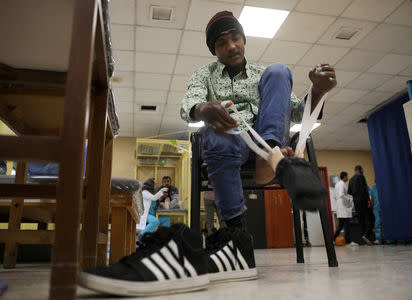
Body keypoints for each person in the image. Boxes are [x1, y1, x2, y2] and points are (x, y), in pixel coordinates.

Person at [78, 11, 337, 296]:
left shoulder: (264, 75)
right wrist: (202, 109)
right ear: (215, 49)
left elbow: (298, 111)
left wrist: (318, 90)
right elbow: (188, 102)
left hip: (267, 137)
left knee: (280, 69)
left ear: (244, 39)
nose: (231, 46)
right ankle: (237, 236)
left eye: (235, 38)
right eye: (222, 43)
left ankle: (270, 152)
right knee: (214, 134)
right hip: (234, 143)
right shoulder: (205, 74)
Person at [348, 165, 373, 245]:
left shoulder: (351, 179)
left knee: (361, 220)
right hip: (363, 200)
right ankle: (366, 235)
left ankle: (362, 240)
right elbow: (365, 189)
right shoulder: (361, 176)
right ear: (360, 170)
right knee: (371, 218)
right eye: (362, 170)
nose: (363, 171)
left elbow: (349, 192)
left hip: (356, 202)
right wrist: (368, 200)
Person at [333, 172, 358, 246]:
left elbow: (336, 196)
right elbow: (341, 194)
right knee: (346, 225)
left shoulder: (337, 184)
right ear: (345, 177)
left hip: (340, 207)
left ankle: (333, 239)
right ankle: (348, 242)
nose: (348, 177)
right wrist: (349, 198)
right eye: (347, 176)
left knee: (341, 225)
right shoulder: (342, 184)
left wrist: (347, 196)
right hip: (343, 207)